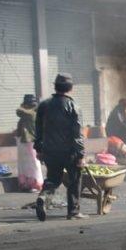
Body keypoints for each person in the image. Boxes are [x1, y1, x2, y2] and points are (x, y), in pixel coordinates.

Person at [34, 73, 86, 220]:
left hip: (50, 151)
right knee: (74, 180)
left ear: (55, 86)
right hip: (69, 152)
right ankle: (73, 212)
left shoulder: (44, 105)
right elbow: (77, 133)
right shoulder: (73, 105)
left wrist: (38, 149)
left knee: (53, 179)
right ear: (71, 88)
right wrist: (81, 154)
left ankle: (43, 198)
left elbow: (38, 129)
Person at [15, 94, 43, 191]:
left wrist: (23, 106)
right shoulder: (26, 113)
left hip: (31, 141)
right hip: (23, 140)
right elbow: (18, 112)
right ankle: (26, 184)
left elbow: (20, 111)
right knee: (23, 164)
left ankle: (35, 184)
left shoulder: (32, 113)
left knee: (33, 163)